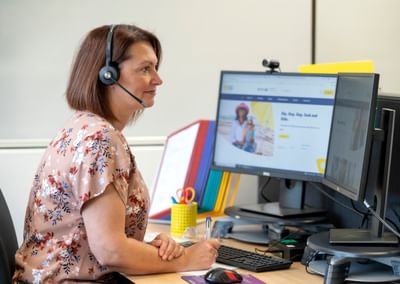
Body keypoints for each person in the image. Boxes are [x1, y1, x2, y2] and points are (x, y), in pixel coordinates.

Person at [13, 24, 220, 283]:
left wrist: (151, 248)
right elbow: (110, 250)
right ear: (107, 76)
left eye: (155, 68)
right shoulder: (100, 140)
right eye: (145, 69)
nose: (158, 79)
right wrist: (188, 259)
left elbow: (96, 236)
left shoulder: (81, 126)